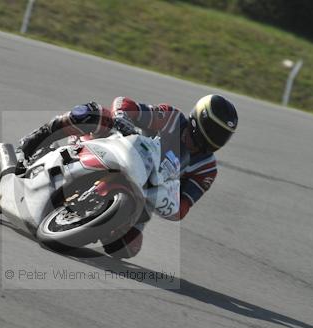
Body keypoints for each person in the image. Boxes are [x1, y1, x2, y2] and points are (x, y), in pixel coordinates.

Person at [18, 95, 238, 258]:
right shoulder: (171, 118)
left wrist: (166, 200)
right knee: (96, 113)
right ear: (200, 118)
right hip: (118, 147)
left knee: (127, 247)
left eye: (224, 136)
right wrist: (124, 117)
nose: (217, 139)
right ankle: (37, 139)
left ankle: (85, 216)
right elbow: (126, 105)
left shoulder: (207, 168)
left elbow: (183, 207)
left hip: (145, 188)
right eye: (215, 130)